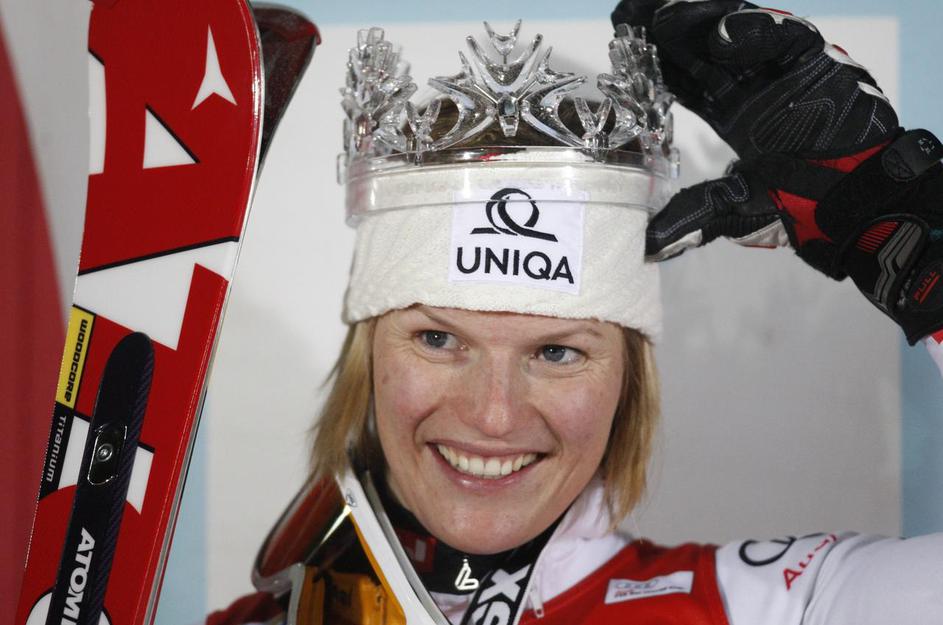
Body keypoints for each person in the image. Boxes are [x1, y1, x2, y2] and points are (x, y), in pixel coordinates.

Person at [207, 2, 943, 624]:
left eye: (556, 351)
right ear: (368, 352)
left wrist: (909, 236)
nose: (493, 415)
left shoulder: (770, 605)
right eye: (437, 338)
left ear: (628, 379)